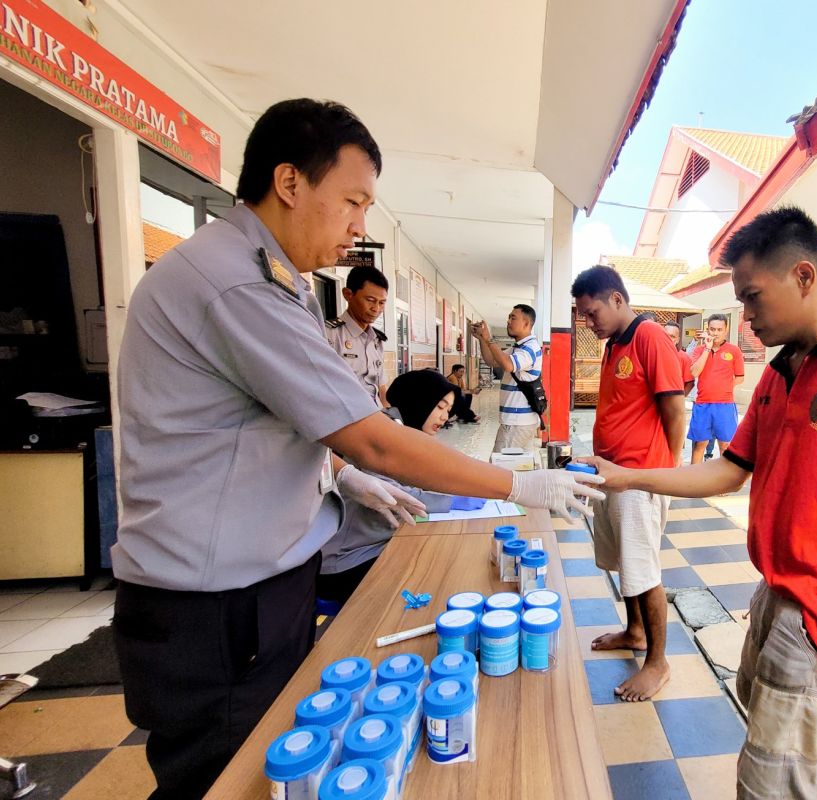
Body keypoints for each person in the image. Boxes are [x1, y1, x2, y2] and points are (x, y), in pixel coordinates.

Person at [110, 98, 603, 799]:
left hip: (242, 590)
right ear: (288, 184)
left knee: (268, 764)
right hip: (215, 607)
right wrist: (518, 488)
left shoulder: (263, 281)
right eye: (352, 201)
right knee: (229, 777)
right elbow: (374, 437)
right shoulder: (239, 284)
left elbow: (275, 426)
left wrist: (337, 477)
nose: (360, 227)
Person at [581, 207, 817, 799]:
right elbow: (730, 470)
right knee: (763, 725)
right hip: (774, 592)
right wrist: (629, 479)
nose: (746, 317)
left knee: (773, 780)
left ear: (805, 277)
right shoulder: (784, 369)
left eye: (754, 297)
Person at [572, 266, 685, 701]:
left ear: (617, 300)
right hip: (611, 473)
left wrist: (666, 473)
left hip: (641, 478)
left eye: (592, 311)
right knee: (623, 562)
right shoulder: (614, 343)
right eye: (582, 315)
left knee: (644, 570)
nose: (588, 321)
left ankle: (658, 663)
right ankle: (635, 631)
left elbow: (675, 410)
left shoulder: (649, 337)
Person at [317, 370, 485, 604]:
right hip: (346, 561)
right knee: (436, 578)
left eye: (448, 410)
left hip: (377, 544)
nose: (445, 417)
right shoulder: (385, 434)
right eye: (440, 407)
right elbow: (394, 494)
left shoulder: (405, 431)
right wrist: (453, 501)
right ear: (420, 400)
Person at [472, 304, 542, 452]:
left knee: (499, 467)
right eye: (509, 317)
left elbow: (508, 365)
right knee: (519, 467)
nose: (508, 321)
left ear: (526, 323)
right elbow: (492, 360)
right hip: (517, 422)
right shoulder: (518, 347)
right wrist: (481, 339)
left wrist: (489, 339)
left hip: (517, 423)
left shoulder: (530, 348)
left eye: (513, 318)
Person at [325, 264, 389, 406]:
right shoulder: (329, 334)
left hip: (376, 415)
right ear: (348, 294)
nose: (376, 308)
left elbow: (381, 387)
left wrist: (393, 418)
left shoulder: (376, 340)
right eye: (370, 300)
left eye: (382, 303)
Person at [687, 314, 745, 464]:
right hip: (702, 404)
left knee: (725, 445)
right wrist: (707, 348)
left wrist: (725, 387)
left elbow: (740, 377)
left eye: (720, 329)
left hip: (725, 405)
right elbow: (694, 372)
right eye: (712, 329)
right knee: (700, 444)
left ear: (726, 330)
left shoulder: (734, 351)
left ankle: (722, 485)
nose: (716, 333)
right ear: (708, 330)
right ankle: (694, 482)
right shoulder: (699, 350)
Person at [662, 321, 695, 395]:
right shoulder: (652, 354)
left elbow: (690, 383)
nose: (669, 339)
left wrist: (680, 401)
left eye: (672, 336)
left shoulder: (684, 358)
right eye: (666, 335)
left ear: (677, 340)